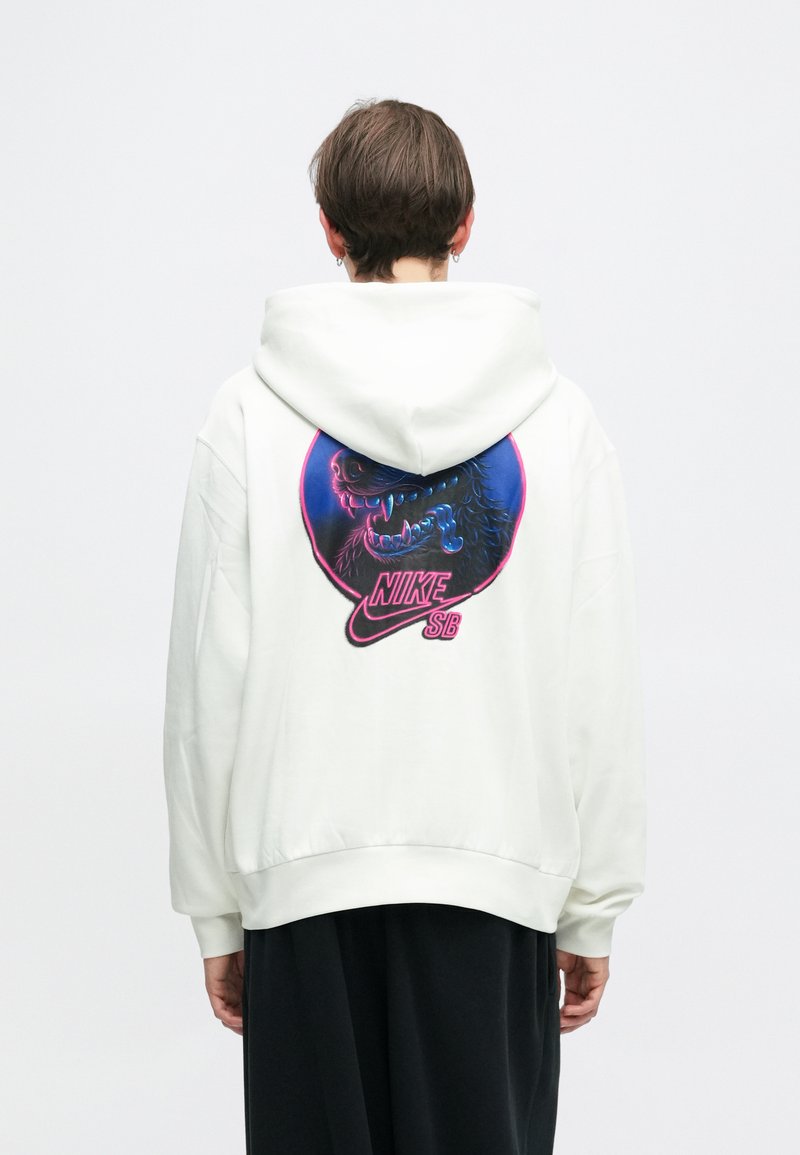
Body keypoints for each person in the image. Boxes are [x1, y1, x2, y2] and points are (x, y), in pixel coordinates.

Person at [162, 97, 647, 1155]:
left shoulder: (247, 415)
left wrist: (215, 909)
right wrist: (591, 905)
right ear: (464, 223)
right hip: (495, 880)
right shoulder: (561, 422)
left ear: (329, 231)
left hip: (302, 887)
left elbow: (207, 682)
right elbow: (596, 677)